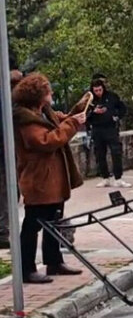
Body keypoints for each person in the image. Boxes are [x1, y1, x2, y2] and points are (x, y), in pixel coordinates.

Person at [12, 73, 88, 283]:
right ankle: (26, 269)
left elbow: (59, 120)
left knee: (55, 220)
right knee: (33, 224)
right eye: (48, 91)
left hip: (52, 178)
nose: (51, 93)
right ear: (39, 95)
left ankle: (54, 262)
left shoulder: (42, 111)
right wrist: (72, 124)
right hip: (39, 179)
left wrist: (77, 112)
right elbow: (46, 141)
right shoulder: (25, 119)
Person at [87, 77, 130, 188]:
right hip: (97, 129)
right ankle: (105, 177)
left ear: (103, 88)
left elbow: (123, 108)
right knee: (100, 154)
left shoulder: (112, 97)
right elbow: (84, 115)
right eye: (95, 91)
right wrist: (93, 112)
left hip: (110, 128)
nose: (98, 93)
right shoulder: (90, 100)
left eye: (100, 90)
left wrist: (116, 116)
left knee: (116, 152)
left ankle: (118, 178)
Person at [0, 66, 23, 249]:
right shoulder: (10, 102)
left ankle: (4, 230)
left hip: (12, 150)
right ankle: (3, 232)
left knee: (11, 192)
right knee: (7, 192)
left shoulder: (15, 103)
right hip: (5, 151)